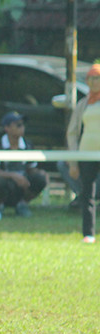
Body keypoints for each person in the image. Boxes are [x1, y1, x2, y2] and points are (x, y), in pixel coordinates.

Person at [0, 111, 48, 222]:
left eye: (23, 125)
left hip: (22, 187)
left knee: (40, 178)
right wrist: (14, 176)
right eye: (18, 125)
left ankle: (22, 205)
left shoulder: (27, 145)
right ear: (7, 128)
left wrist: (40, 174)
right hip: (4, 185)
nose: (22, 128)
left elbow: (31, 168)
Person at [68, 64, 100, 241]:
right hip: (86, 153)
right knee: (88, 193)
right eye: (91, 78)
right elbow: (72, 132)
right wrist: (74, 160)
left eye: (98, 78)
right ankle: (88, 233)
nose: (95, 82)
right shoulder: (83, 104)